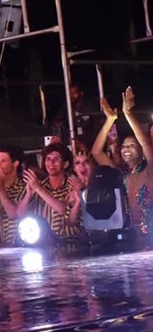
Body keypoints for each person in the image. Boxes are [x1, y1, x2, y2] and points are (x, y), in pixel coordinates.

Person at [92, 88, 153, 237]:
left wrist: (128, 114)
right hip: (129, 236)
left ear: (142, 152)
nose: (126, 149)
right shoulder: (121, 175)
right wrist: (110, 120)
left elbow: (145, 143)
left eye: (132, 146)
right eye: (124, 146)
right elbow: (96, 152)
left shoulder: (150, 171)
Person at [24, 142, 83, 238]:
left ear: (65, 164)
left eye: (56, 159)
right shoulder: (38, 186)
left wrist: (39, 189)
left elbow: (65, 211)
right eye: (48, 159)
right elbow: (18, 214)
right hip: (41, 243)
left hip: (69, 243)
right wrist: (28, 195)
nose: (51, 163)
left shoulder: (73, 185)